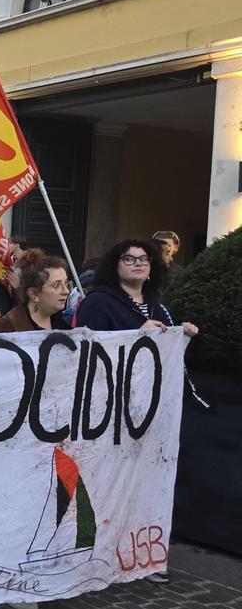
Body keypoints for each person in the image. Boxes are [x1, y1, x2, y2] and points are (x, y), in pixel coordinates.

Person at [74, 239, 197, 586]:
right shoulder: (99, 302)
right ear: (116, 265)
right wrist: (134, 335)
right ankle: (97, 553)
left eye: (143, 259)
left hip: (148, 410)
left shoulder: (155, 305)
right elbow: (90, 345)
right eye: (129, 259)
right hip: (111, 411)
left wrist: (178, 335)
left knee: (146, 482)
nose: (137, 264)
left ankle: (143, 555)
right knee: (108, 481)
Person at [0, 254, 72, 332]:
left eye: (66, 283)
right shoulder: (7, 327)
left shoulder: (63, 325)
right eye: (56, 285)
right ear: (34, 294)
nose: (66, 291)